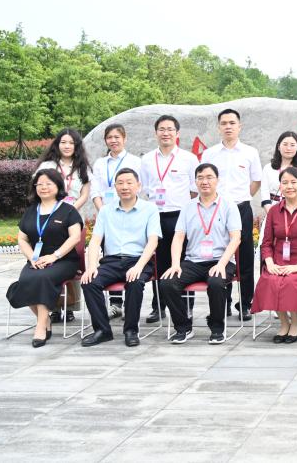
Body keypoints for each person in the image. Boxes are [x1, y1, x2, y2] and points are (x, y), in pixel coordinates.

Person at [160, 163, 243, 344]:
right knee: (167, 283)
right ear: (195, 182)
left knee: (216, 282)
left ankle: (216, 328)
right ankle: (183, 327)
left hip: (221, 260)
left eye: (209, 177)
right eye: (200, 178)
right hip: (193, 261)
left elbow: (235, 238)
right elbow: (178, 237)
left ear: (217, 180)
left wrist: (221, 264)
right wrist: (175, 264)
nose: (205, 182)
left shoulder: (228, 205)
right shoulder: (188, 207)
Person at [80, 168, 160, 347]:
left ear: (138, 186)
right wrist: (91, 266)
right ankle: (102, 330)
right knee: (89, 282)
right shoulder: (106, 211)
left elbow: (153, 241)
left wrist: (138, 267)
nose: (125, 187)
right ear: (115, 187)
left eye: (129, 183)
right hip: (112, 261)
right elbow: (95, 241)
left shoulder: (150, 209)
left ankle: (131, 330)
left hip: (138, 260)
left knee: (135, 282)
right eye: (120, 183)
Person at [5, 169, 83, 347]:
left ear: (58, 186)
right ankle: (45, 319)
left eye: (48, 183)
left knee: (42, 278)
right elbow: (22, 239)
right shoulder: (31, 211)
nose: (43, 187)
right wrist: (32, 257)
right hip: (37, 260)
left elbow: (75, 238)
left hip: (64, 260)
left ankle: (40, 327)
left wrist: (54, 256)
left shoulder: (68, 210)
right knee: (25, 281)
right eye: (39, 184)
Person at [201, 108, 262, 322]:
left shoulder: (250, 152)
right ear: (219, 127)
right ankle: (223, 303)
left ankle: (245, 303)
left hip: (241, 208)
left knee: (244, 257)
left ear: (239, 126)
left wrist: (242, 198)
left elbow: (256, 181)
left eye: (232, 123)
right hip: (216, 210)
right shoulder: (209, 154)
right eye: (224, 123)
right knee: (219, 254)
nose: (228, 126)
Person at [251, 166, 297, 343]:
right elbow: (266, 242)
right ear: (280, 186)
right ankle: (284, 323)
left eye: (293, 182)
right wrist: (269, 263)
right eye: (285, 183)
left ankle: (295, 323)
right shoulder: (274, 211)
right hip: (277, 261)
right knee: (271, 280)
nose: (289, 186)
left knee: (290, 282)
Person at [140, 114, 199, 323]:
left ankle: (186, 305)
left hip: (181, 216)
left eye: (170, 129)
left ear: (177, 133)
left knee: (183, 261)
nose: (166, 133)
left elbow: (195, 189)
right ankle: (158, 306)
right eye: (162, 129)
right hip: (156, 216)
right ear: (156, 132)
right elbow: (145, 189)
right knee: (159, 262)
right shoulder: (147, 160)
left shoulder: (189, 159)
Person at [36, 128, 91, 324]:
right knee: (51, 261)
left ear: (77, 146)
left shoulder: (82, 166)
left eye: (71, 143)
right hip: (50, 220)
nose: (67, 146)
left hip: (74, 218)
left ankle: (70, 306)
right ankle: (53, 307)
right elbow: (40, 189)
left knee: (71, 262)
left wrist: (68, 211)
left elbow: (85, 194)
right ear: (57, 144)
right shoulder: (47, 165)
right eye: (63, 142)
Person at [91, 124, 143, 319]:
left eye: (117, 137)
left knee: (130, 254)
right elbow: (95, 190)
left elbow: (140, 188)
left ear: (124, 138)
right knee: (111, 256)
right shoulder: (100, 163)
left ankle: (131, 304)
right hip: (108, 216)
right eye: (109, 137)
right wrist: (104, 212)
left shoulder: (135, 161)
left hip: (130, 214)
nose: (113, 140)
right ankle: (115, 303)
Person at [260, 131, 297, 217]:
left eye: (292, 145)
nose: (288, 148)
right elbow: (264, 192)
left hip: (294, 211)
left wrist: (293, 212)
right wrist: (271, 213)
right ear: (278, 147)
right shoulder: (268, 168)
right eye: (285, 144)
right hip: (272, 209)